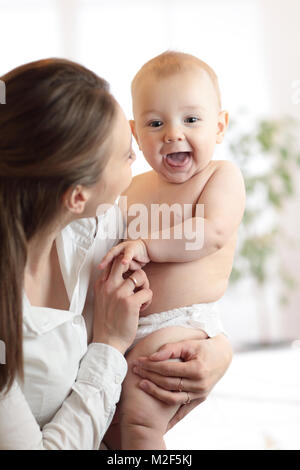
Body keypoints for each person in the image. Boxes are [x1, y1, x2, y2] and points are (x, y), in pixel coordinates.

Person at [0, 58, 232, 450]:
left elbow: (190, 278)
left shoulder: (101, 226)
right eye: (128, 154)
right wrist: (108, 345)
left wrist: (217, 351)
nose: (148, 155)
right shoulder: (111, 214)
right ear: (77, 196)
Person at [100, 51, 246, 450]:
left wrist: (147, 245)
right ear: (135, 132)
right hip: (125, 326)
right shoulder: (132, 186)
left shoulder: (220, 176)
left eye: (191, 120)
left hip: (181, 322)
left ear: (220, 127)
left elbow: (211, 232)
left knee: (139, 419)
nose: (173, 133)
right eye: (155, 122)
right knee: (107, 425)